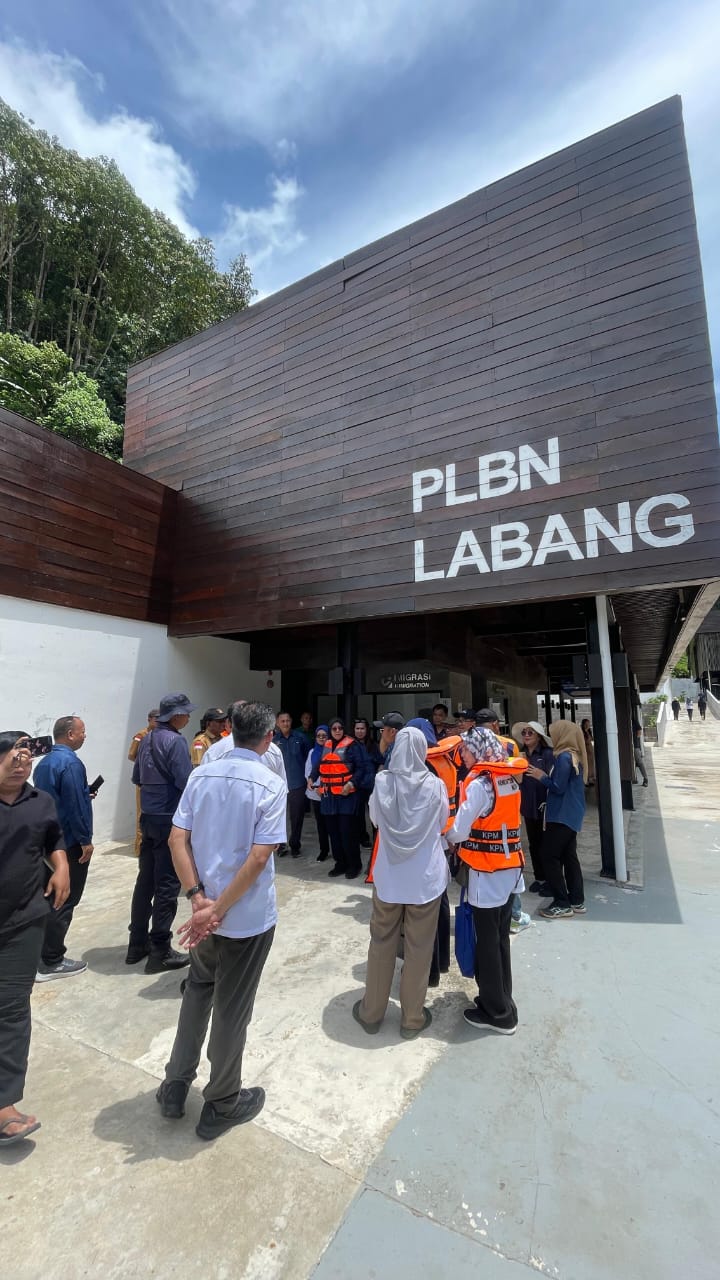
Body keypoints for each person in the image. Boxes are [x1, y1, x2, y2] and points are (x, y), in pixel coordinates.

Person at [159, 702, 287, 1141]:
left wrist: (198, 899)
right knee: (232, 1008)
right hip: (244, 918)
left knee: (198, 992)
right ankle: (222, 1101)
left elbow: (178, 838)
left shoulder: (201, 774)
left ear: (230, 731)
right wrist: (218, 909)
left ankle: (175, 1084)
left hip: (203, 914)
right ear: (268, 737)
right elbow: (258, 858)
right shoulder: (270, 784)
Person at [354, 727, 449, 1039]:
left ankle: (372, 1013)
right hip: (425, 880)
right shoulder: (435, 785)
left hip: (390, 878)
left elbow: (376, 821)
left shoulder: (383, 781)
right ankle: (411, 1018)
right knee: (419, 947)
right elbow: (440, 825)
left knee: (381, 942)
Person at [0, 732, 69, 1145]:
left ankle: (4, 1104)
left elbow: (53, 837)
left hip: (23, 922)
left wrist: (60, 865)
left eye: (26, 755)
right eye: (11, 753)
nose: (21, 760)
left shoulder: (40, 801)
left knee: (10, 1010)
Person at [446, 727, 527, 1034]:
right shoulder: (507, 779)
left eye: (465, 750)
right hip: (510, 870)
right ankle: (504, 998)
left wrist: (447, 837)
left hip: (486, 872)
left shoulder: (480, 784)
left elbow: (460, 829)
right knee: (500, 939)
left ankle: (497, 1013)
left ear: (477, 750)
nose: (463, 756)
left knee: (486, 944)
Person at [128, 692, 196, 973]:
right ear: (176, 716)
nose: (189, 717)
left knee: (145, 881)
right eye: (185, 713)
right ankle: (160, 951)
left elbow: (137, 778)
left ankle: (136, 944)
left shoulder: (146, 739)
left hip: (149, 818)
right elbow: (185, 781)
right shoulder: (176, 741)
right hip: (169, 817)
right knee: (167, 885)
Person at [33, 715, 94, 981]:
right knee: (65, 899)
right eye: (82, 732)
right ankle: (51, 961)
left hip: (48, 842)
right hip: (69, 843)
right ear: (69, 734)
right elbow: (74, 807)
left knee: (49, 897)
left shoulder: (44, 762)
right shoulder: (70, 763)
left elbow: (59, 797)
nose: (84, 736)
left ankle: (40, 953)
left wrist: (84, 792)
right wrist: (85, 840)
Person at [527, 721, 587, 919]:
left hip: (562, 814)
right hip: (571, 814)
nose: (552, 738)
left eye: (554, 734)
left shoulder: (563, 758)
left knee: (548, 855)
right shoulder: (574, 755)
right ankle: (576, 899)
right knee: (569, 857)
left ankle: (562, 902)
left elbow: (557, 787)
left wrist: (541, 776)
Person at [313, 718, 364, 879]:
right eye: (334, 728)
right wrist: (311, 777)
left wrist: (351, 783)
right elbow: (319, 765)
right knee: (333, 834)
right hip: (329, 797)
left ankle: (354, 865)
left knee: (347, 833)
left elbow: (361, 768)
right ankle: (340, 863)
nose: (337, 731)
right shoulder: (326, 745)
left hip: (346, 796)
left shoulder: (352, 745)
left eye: (340, 728)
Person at [516, 722, 555, 892]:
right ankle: (539, 877)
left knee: (547, 845)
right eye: (524, 732)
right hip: (528, 806)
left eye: (530, 732)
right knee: (533, 843)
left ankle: (550, 879)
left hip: (543, 805)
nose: (526, 735)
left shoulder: (547, 754)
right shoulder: (522, 755)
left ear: (538, 736)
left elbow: (552, 779)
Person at [273, 712, 310, 856]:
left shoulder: (301, 738)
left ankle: (295, 845)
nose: (285, 723)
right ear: (277, 723)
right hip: (279, 785)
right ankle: (280, 845)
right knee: (278, 817)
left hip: (297, 783)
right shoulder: (273, 741)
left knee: (296, 817)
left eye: (288, 720)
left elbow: (309, 759)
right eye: (282, 721)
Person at [128, 710, 159, 855]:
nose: (158, 721)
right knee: (142, 813)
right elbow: (131, 755)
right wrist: (146, 766)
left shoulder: (159, 735)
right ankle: (139, 848)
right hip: (144, 780)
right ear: (149, 719)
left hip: (157, 781)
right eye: (156, 719)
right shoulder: (141, 736)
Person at [352, 718, 381, 849]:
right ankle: (363, 838)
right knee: (358, 815)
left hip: (372, 785)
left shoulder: (373, 745)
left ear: (366, 730)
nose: (359, 731)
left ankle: (377, 838)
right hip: (357, 785)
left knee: (374, 814)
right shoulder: (350, 745)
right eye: (357, 728)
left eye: (362, 728)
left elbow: (381, 761)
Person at [304, 725, 330, 861]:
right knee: (321, 825)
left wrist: (324, 787)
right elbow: (308, 772)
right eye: (319, 736)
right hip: (316, 793)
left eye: (324, 736)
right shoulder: (312, 752)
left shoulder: (332, 751)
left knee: (332, 824)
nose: (321, 738)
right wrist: (315, 786)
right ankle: (324, 850)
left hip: (330, 793)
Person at [632, 715, 649, 787]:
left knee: (639, 762)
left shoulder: (633, 720)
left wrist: (636, 739)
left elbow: (639, 730)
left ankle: (646, 779)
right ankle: (633, 778)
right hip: (626, 745)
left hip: (635, 745)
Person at [580, 718, 596, 784]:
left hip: (590, 750)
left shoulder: (589, 731)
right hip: (586, 750)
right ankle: (586, 780)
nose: (587, 725)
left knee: (591, 764)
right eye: (586, 724)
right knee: (586, 765)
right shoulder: (582, 732)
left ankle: (591, 779)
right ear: (583, 725)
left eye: (588, 724)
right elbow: (584, 741)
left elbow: (591, 739)